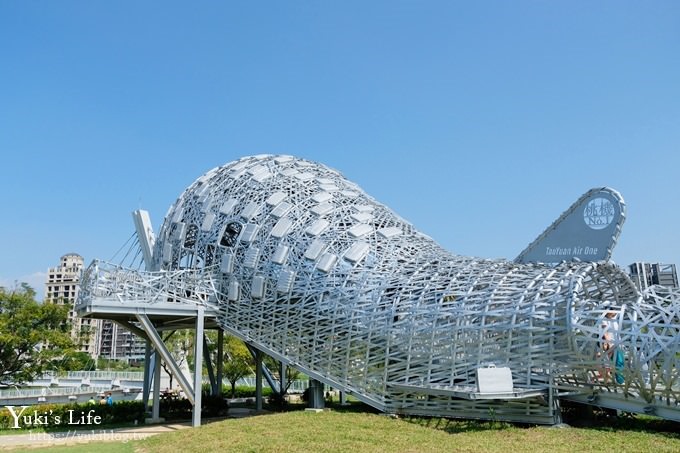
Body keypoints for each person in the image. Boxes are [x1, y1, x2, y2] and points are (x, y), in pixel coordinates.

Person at [601, 308, 624, 384]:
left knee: (619, 361)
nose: (614, 313)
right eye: (613, 311)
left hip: (618, 343)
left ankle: (619, 380)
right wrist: (609, 343)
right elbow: (605, 332)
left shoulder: (614, 318)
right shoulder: (604, 320)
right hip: (610, 344)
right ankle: (617, 381)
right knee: (613, 362)